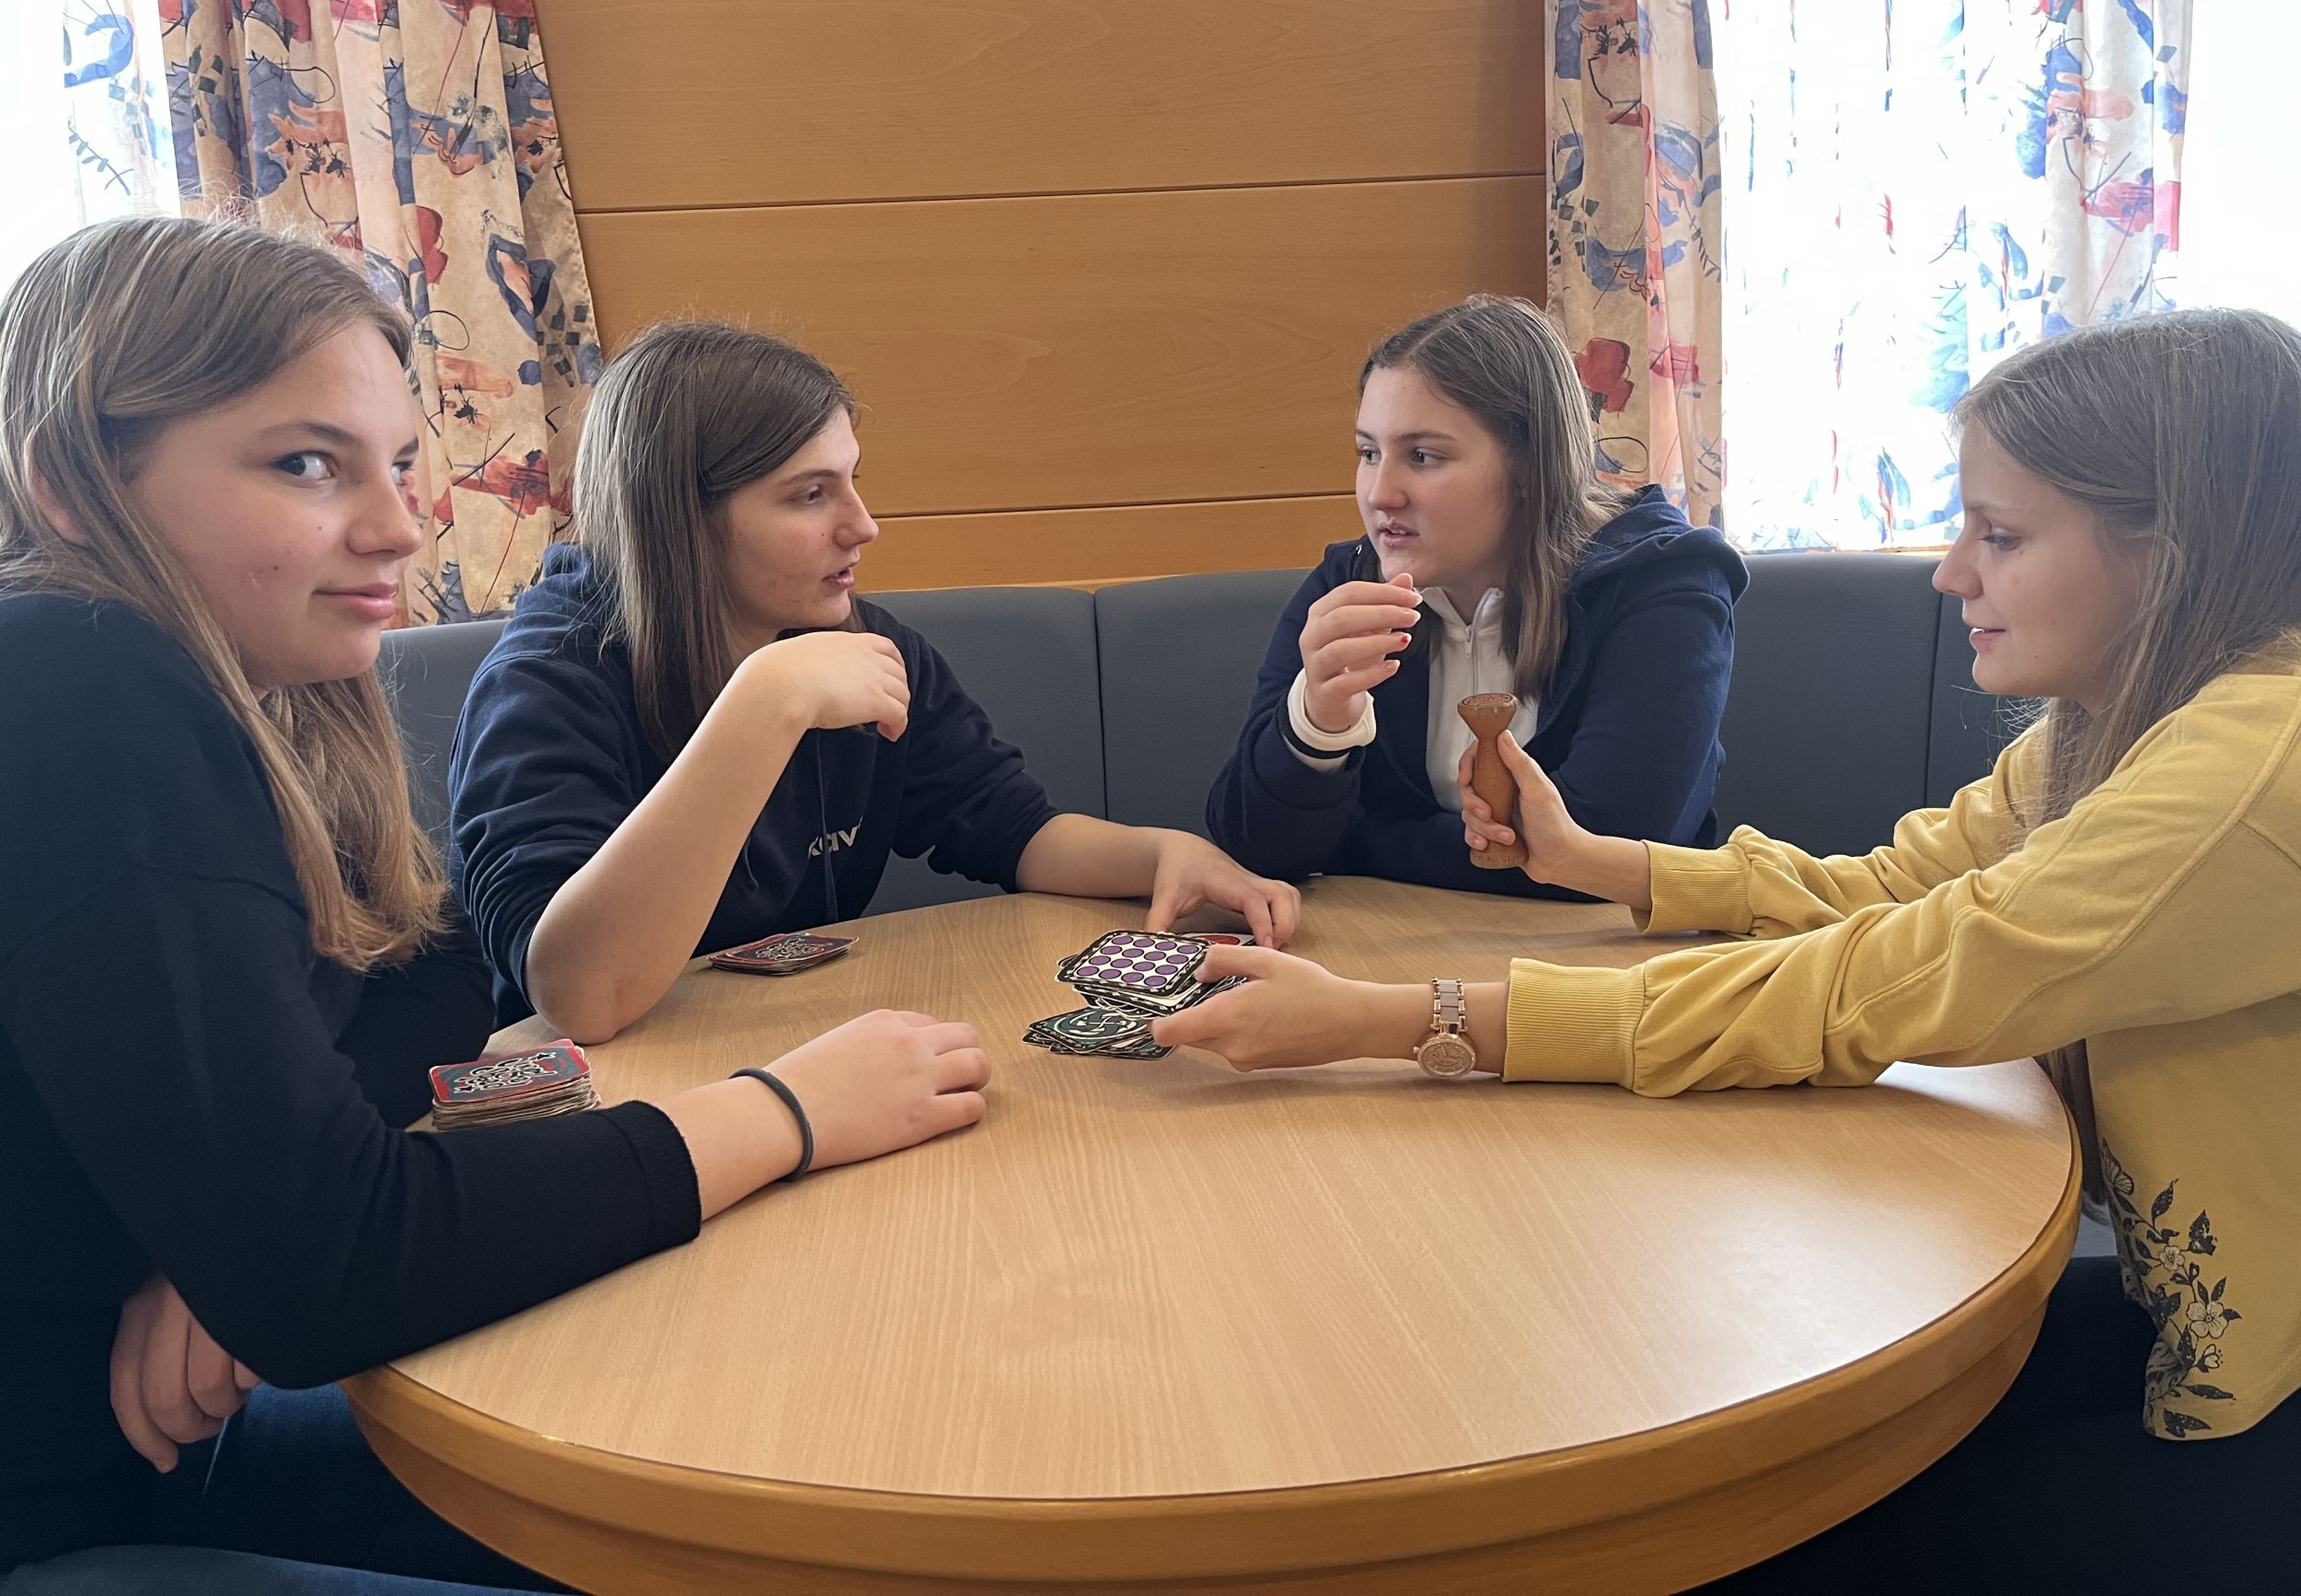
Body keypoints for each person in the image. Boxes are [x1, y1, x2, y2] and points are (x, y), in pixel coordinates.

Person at [1155, 309, 2301, 1587]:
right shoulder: (2119, 724)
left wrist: (1396, 1018)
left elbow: (1871, 984)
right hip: (2184, 1319)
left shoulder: (2252, 764)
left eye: (2001, 534)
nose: (1948, 574)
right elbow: (1886, 888)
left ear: (2171, 552)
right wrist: (1598, 862)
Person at [0, 219, 992, 1592]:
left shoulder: (252, 696)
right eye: (305, 463)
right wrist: (786, 1109)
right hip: (58, 1504)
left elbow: (436, 967)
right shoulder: (76, 673)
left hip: (146, 1440)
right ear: (68, 483)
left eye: (399, 463)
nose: (399, 526)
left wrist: (230, 1229)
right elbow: (335, 1264)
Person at [449, 321, 1300, 1045]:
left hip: (788, 1051)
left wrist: (1163, 853)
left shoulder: (861, 640)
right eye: (810, 495)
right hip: (613, 1106)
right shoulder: (545, 683)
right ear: (679, 519)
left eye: (853, 480)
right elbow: (581, 996)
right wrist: (766, 705)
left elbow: (1012, 828)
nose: (864, 525)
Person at [1205, 295, 1747, 896]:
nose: (1380, 494)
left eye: (1423, 456)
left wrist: (1355, 843)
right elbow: (1253, 848)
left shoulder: (1663, 580)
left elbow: (1603, 853)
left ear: (1529, 466)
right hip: (1393, 944)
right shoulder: (1349, 583)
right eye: (1369, 453)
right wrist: (1316, 728)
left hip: (1611, 951)